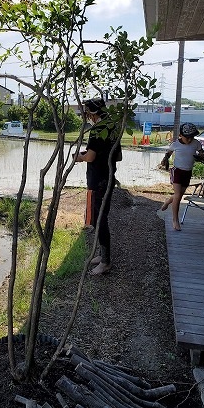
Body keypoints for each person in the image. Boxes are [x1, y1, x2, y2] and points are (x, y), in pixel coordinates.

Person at [75, 98, 122, 276]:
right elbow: (118, 157)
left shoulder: (97, 130)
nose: (87, 117)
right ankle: (103, 254)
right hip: (108, 175)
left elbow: (90, 157)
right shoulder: (113, 127)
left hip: (97, 179)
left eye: (87, 113)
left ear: (92, 113)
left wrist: (79, 157)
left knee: (100, 218)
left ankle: (105, 262)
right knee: (97, 217)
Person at [159, 122, 204, 231]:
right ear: (181, 135)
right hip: (177, 171)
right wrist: (164, 161)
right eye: (187, 138)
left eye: (191, 137)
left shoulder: (196, 143)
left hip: (188, 172)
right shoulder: (176, 144)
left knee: (178, 195)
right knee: (178, 195)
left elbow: (202, 152)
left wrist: (201, 155)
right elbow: (168, 153)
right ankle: (175, 220)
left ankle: (167, 201)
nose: (189, 140)